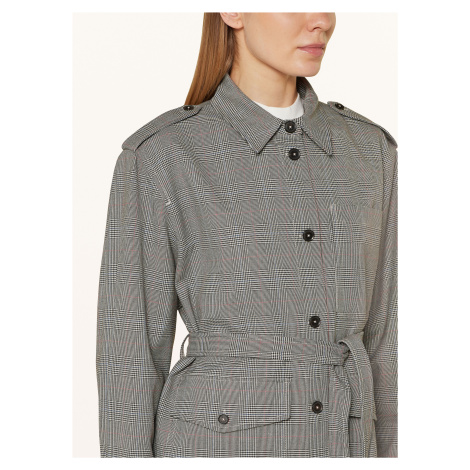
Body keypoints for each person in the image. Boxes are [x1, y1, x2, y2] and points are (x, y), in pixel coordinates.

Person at [96, 12, 398, 458]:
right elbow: (129, 357)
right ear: (233, 11)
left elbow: (389, 341)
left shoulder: (370, 151)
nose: (321, 20)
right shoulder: (163, 156)